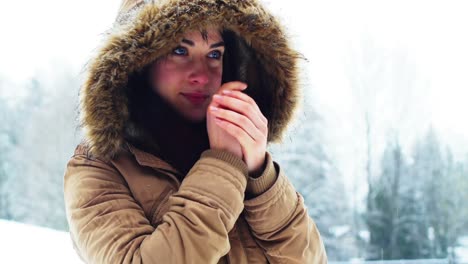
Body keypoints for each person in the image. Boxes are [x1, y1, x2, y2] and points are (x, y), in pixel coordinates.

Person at [63, 0, 328, 263]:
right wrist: (222, 163)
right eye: (179, 50)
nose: (202, 76)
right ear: (139, 61)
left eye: (214, 55)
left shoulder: (244, 157)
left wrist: (262, 175)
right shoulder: (98, 169)